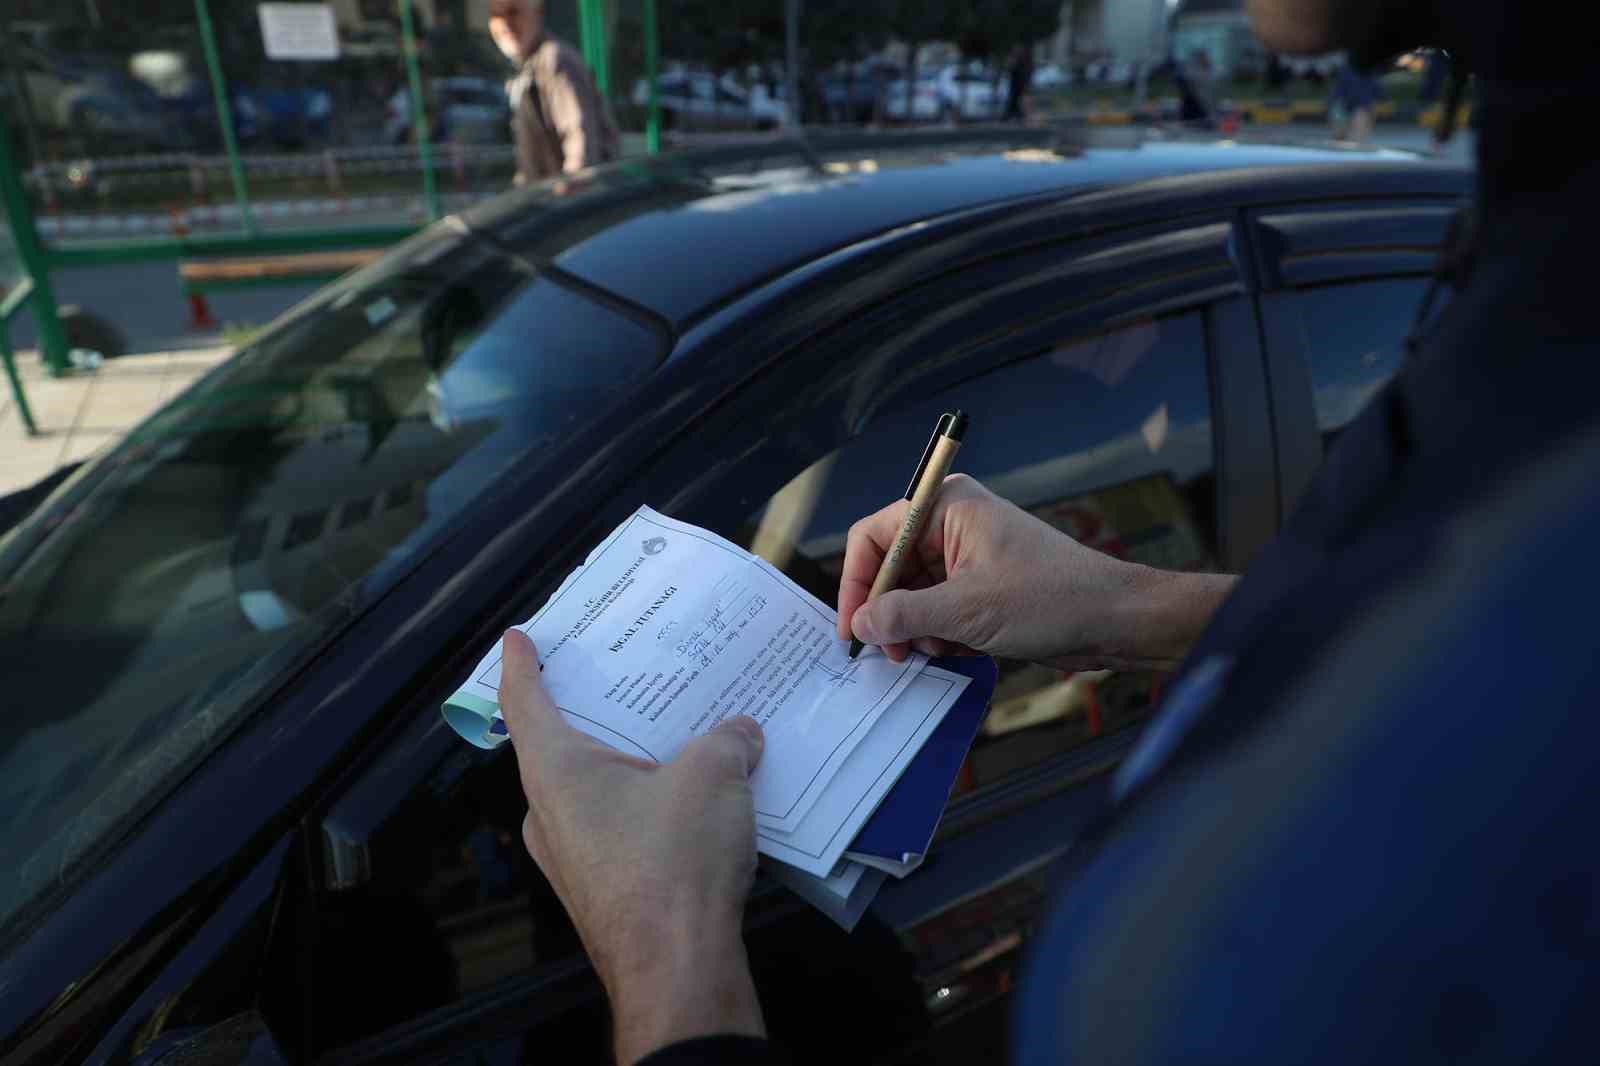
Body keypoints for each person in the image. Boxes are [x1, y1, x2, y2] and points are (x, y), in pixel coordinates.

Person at [494, 0, 1600, 1061]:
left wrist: (666, 949)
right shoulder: (1531, 282)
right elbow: (1420, 648)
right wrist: (1126, 609)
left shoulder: (1556, 429)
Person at [487, 0, 619, 184]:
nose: (505, 24)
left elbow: (581, 145)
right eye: (496, 15)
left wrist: (570, 190)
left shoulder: (555, 61)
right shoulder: (527, 67)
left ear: (538, 12)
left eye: (514, 12)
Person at [1003, 44, 1034, 122]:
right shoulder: (1018, 60)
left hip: (1019, 83)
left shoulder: (1022, 60)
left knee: (1016, 99)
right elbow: (1011, 70)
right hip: (1016, 84)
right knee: (1014, 99)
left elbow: (1014, 70)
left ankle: (1015, 114)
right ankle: (1013, 114)